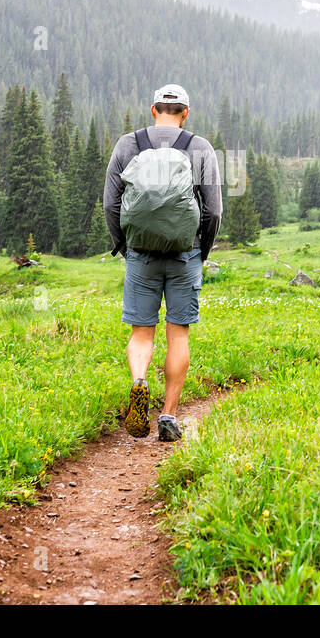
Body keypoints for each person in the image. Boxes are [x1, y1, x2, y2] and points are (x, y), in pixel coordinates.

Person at [103, 84, 222, 441]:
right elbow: (213, 209)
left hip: (141, 254)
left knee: (142, 334)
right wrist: (202, 251)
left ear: (154, 110)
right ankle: (168, 416)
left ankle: (139, 381)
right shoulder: (199, 147)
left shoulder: (129, 144)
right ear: (185, 113)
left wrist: (125, 246)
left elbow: (110, 203)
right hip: (185, 255)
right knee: (178, 335)